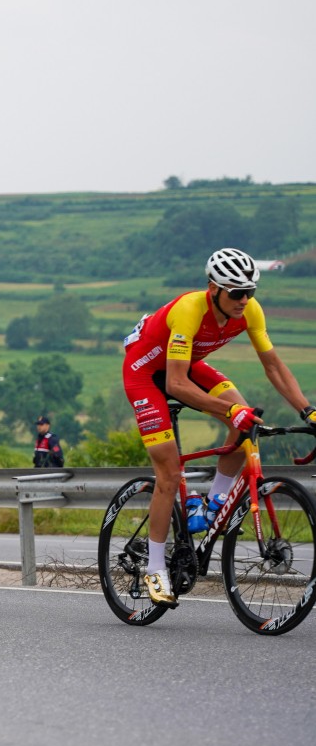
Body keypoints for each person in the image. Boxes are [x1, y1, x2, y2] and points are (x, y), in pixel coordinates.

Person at [121, 247, 316, 606]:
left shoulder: (250, 312)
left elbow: (273, 366)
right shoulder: (189, 309)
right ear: (213, 288)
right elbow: (176, 385)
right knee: (169, 470)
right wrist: (231, 411)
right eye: (236, 293)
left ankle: (214, 504)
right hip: (146, 373)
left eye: (250, 292)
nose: (245, 300)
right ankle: (154, 568)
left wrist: (308, 411)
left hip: (185, 364)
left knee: (244, 418)